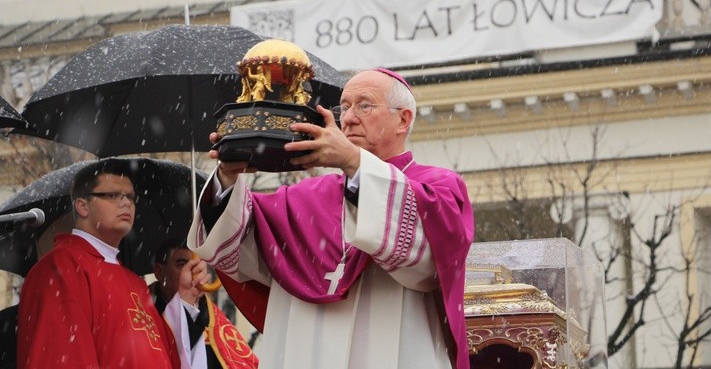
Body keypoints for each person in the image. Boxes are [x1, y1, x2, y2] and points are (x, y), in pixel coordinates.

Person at [188, 68, 474, 369]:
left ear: (402, 120)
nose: (348, 119)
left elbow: (430, 261)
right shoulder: (303, 197)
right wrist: (228, 177)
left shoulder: (439, 186)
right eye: (344, 107)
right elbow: (236, 249)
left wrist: (354, 162)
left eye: (364, 105)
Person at [16, 159, 207, 369]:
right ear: (82, 206)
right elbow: (63, 357)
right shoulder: (61, 267)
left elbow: (167, 356)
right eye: (113, 195)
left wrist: (186, 297)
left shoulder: (134, 282)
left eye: (131, 197)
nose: (126, 203)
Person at [151, 237, 259, 369]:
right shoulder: (143, 311)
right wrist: (185, 300)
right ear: (159, 271)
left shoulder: (212, 319)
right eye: (182, 264)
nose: (193, 272)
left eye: (197, 264)